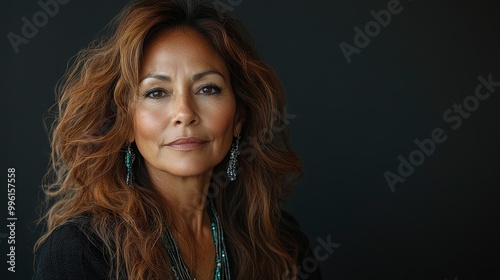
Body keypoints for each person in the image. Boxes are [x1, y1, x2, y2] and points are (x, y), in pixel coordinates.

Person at [33, 0, 321, 279]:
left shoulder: (283, 244)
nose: (184, 113)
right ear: (126, 122)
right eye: (156, 92)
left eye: (208, 89)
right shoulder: (81, 252)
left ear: (238, 119)